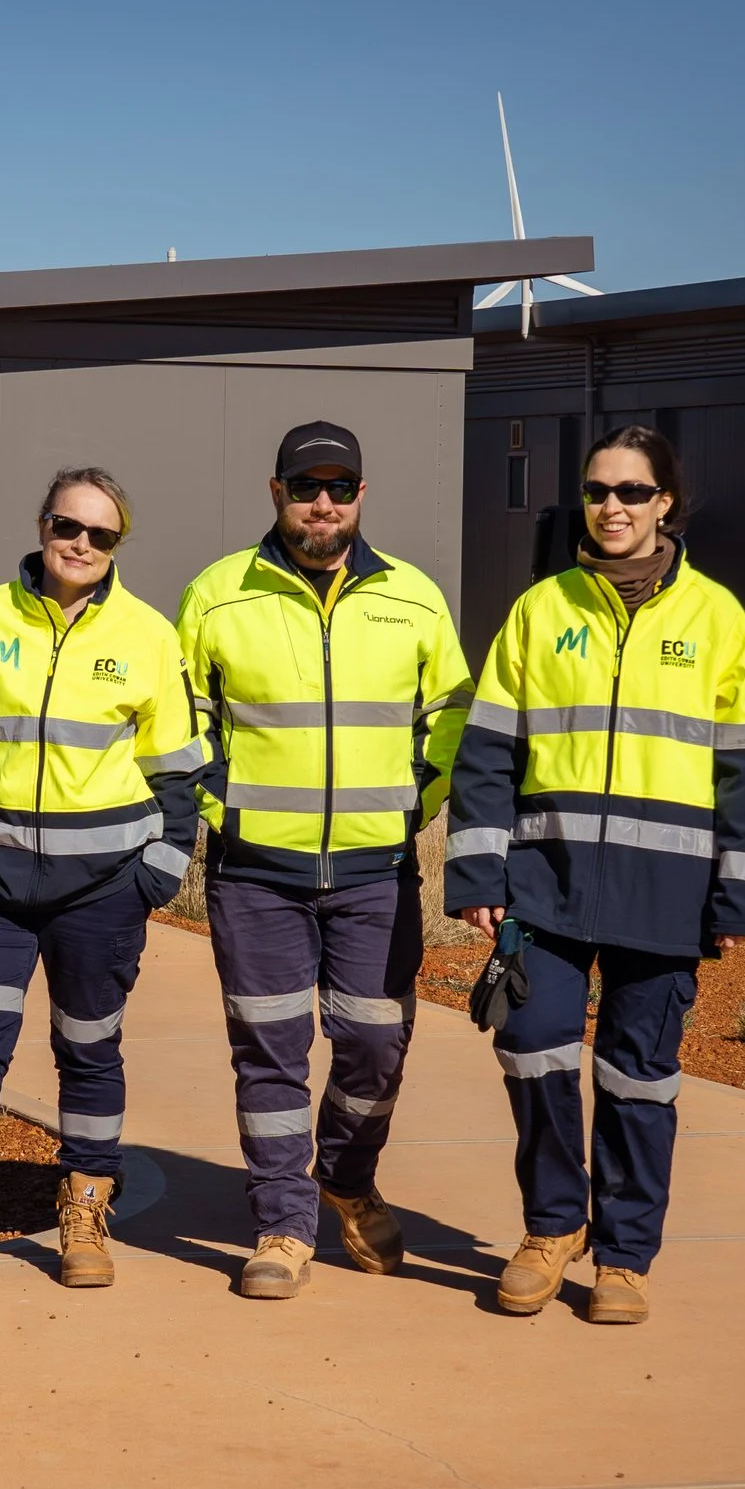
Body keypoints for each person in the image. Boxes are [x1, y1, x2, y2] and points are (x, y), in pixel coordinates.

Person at [445, 424, 745, 1324]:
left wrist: (741, 889)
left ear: (665, 501)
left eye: (633, 492)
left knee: (640, 1077)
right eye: (599, 490)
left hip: (666, 897)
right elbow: (486, 754)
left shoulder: (716, 616)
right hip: (545, 890)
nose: (613, 507)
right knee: (533, 1049)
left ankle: (625, 1257)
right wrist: (481, 874)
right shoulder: (539, 610)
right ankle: (551, 1228)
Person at [0, 467, 205, 1293]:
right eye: (70, 526)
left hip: (101, 893)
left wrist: (157, 874)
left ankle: (86, 1202)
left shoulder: (148, 634)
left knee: (89, 1046)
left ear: (117, 545)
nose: (82, 545)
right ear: (42, 524)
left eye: (102, 535)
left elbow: (179, 772)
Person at [176, 422, 473, 1300]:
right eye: (307, 487)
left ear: (361, 498)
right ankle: (282, 1222)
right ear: (276, 493)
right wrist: (219, 806)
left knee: (376, 1044)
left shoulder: (414, 599)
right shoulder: (218, 594)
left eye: (340, 488)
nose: (323, 504)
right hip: (256, 872)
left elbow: (449, 716)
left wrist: (411, 803)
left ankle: (344, 1175)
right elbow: (183, 719)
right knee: (270, 1050)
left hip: (376, 871)